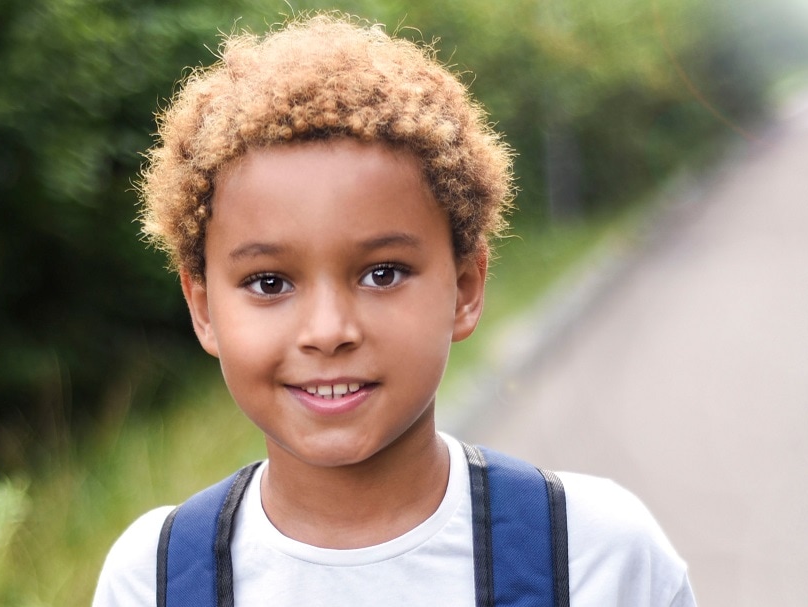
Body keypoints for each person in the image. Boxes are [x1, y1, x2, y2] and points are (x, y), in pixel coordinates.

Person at [93, 13, 696, 607]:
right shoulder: (155, 579)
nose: (328, 332)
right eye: (270, 282)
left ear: (465, 288)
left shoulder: (595, 556)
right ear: (202, 308)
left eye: (382, 274)